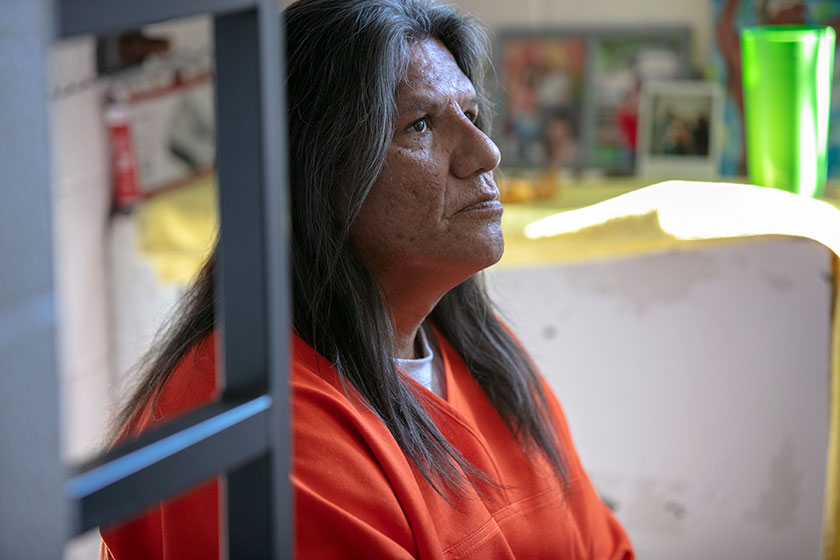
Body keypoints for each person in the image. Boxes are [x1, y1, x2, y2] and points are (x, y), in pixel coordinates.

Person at [100, 0, 634, 558]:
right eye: (421, 125)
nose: (485, 153)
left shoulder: (482, 357)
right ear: (317, 175)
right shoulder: (260, 430)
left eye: (472, 116)